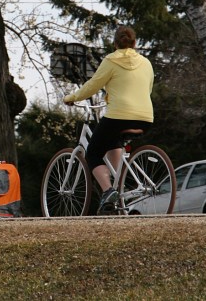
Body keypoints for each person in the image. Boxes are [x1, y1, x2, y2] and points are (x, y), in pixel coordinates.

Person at [63, 26, 154, 212]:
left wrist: (72, 98)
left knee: (93, 153)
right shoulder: (146, 63)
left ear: (115, 44)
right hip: (146, 117)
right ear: (135, 43)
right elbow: (148, 88)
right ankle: (116, 189)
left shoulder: (111, 60)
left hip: (119, 116)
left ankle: (108, 190)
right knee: (113, 143)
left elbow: (93, 85)